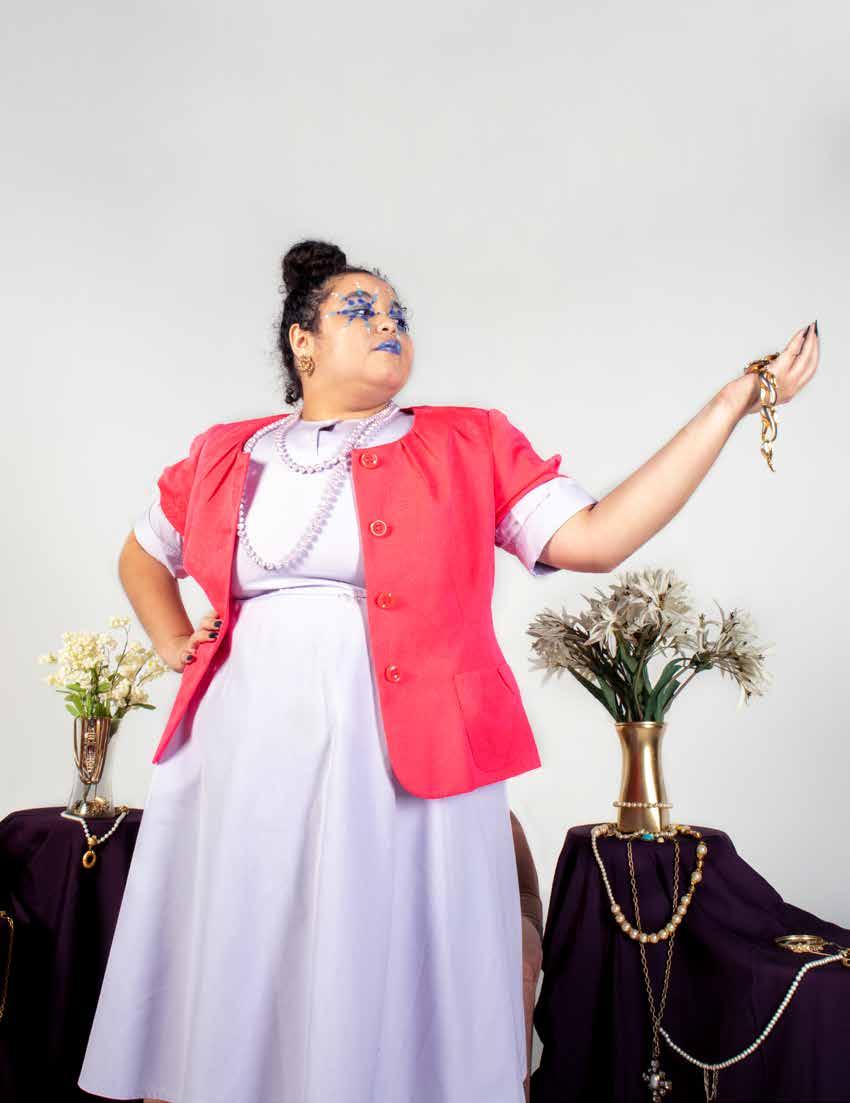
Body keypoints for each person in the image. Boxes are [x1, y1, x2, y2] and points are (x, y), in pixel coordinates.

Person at [76, 238, 606, 1103]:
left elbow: (596, 538)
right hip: (245, 743)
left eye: (398, 313)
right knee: (256, 933)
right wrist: (174, 641)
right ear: (303, 341)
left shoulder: (467, 439)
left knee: (379, 932)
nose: (387, 323)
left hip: (406, 747)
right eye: (360, 310)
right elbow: (142, 554)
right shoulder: (225, 452)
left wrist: (726, 410)